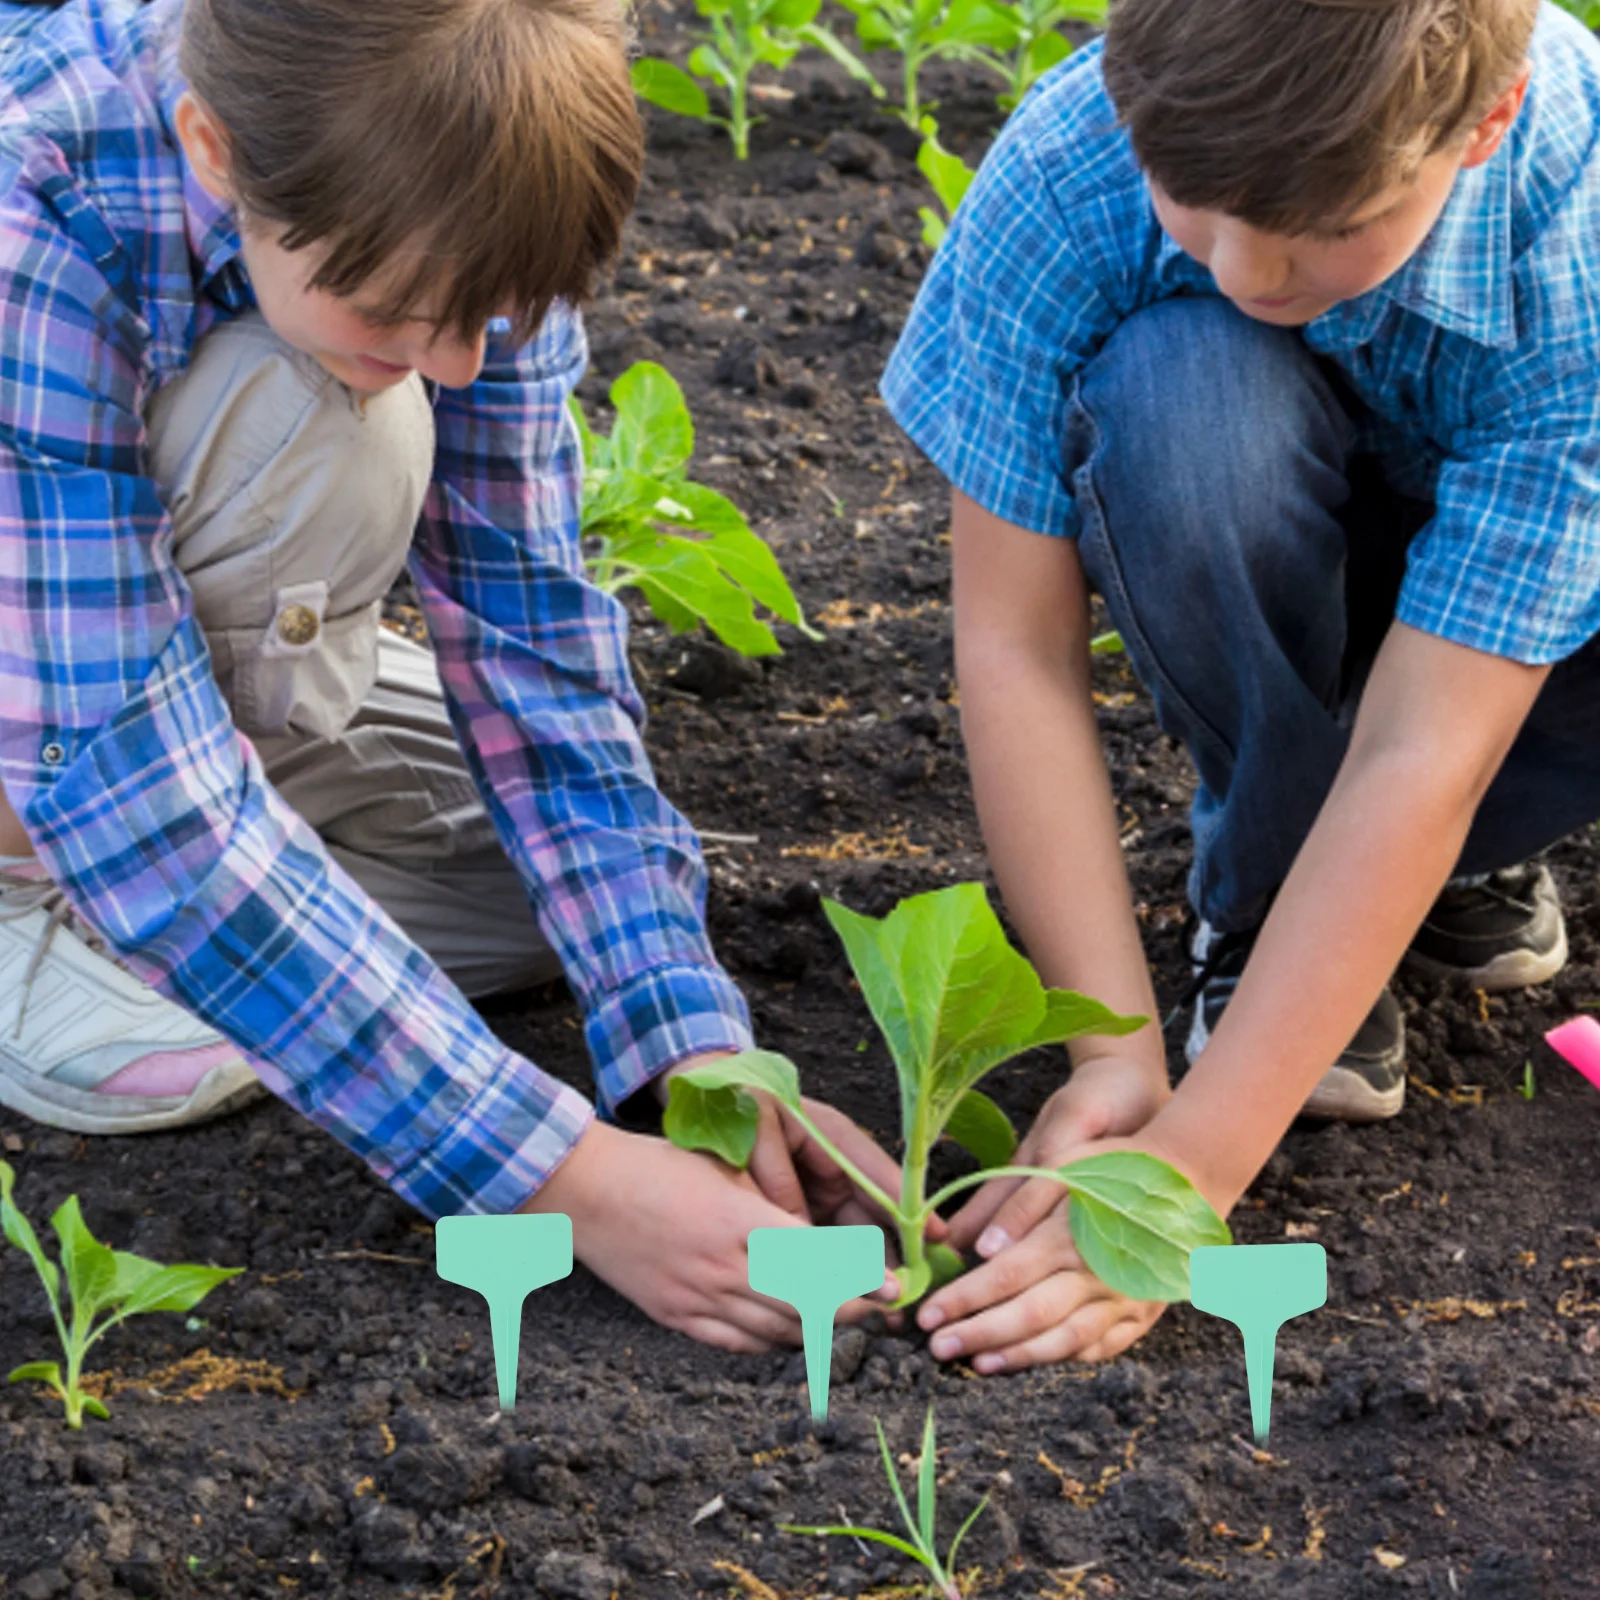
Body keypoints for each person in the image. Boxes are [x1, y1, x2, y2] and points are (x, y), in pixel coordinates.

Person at [0, 0, 905, 1354]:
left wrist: (688, 1047)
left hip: (113, 656)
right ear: (213, 147)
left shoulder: (474, 155)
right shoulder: (39, 203)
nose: (457, 366)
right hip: (59, 705)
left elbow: (527, 623)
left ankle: (206, 866)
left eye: (490, 318)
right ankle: (34, 885)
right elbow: (122, 773)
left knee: (554, 915)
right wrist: (566, 1181)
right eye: (398, 312)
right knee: (311, 419)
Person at [879, 0, 1600, 1375]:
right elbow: (1017, 654)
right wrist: (1111, 1053)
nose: (1243, 265)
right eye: (1193, 207)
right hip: (1277, 535)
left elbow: (1421, 751)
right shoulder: (1073, 164)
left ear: (1481, 122)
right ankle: (1274, 903)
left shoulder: (1578, 220)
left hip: (1519, 646)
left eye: (1329, 224)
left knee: (1446, 769)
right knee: (1181, 389)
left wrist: (1190, 1175)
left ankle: (1453, 870)